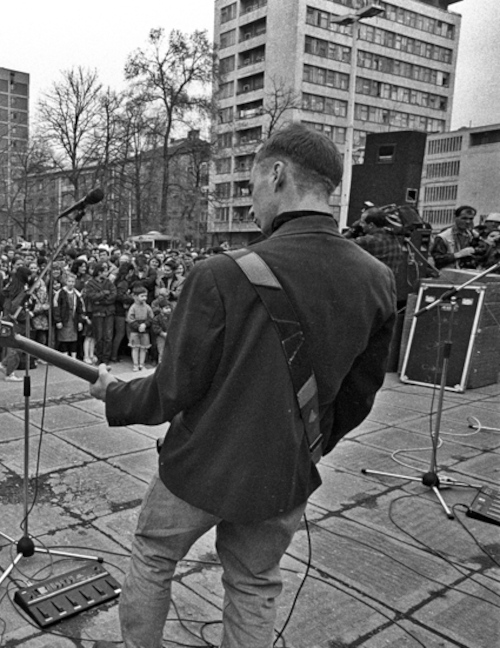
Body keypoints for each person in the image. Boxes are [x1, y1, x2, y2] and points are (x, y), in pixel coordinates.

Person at [89, 123, 396, 648]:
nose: (251, 202)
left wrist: (113, 393)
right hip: (284, 473)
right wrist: (307, 446)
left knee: (154, 557)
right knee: (254, 584)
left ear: (277, 174)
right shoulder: (376, 278)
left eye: (251, 185)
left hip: (200, 466)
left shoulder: (221, 273)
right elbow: (359, 394)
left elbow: (172, 389)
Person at [431, 205, 478, 270]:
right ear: (455, 218)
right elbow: (437, 259)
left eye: (471, 219)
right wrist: (457, 255)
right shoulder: (443, 237)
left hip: (467, 271)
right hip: (448, 272)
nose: (468, 222)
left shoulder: (473, 235)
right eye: (464, 218)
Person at [125, 284, 153, 371]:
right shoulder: (133, 307)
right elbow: (130, 319)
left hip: (145, 330)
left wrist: (145, 325)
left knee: (143, 348)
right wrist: (137, 326)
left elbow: (151, 317)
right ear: (136, 297)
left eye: (145, 296)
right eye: (142, 296)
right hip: (134, 330)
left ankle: (142, 364)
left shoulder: (147, 307)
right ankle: (135, 364)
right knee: (135, 347)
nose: (144, 298)